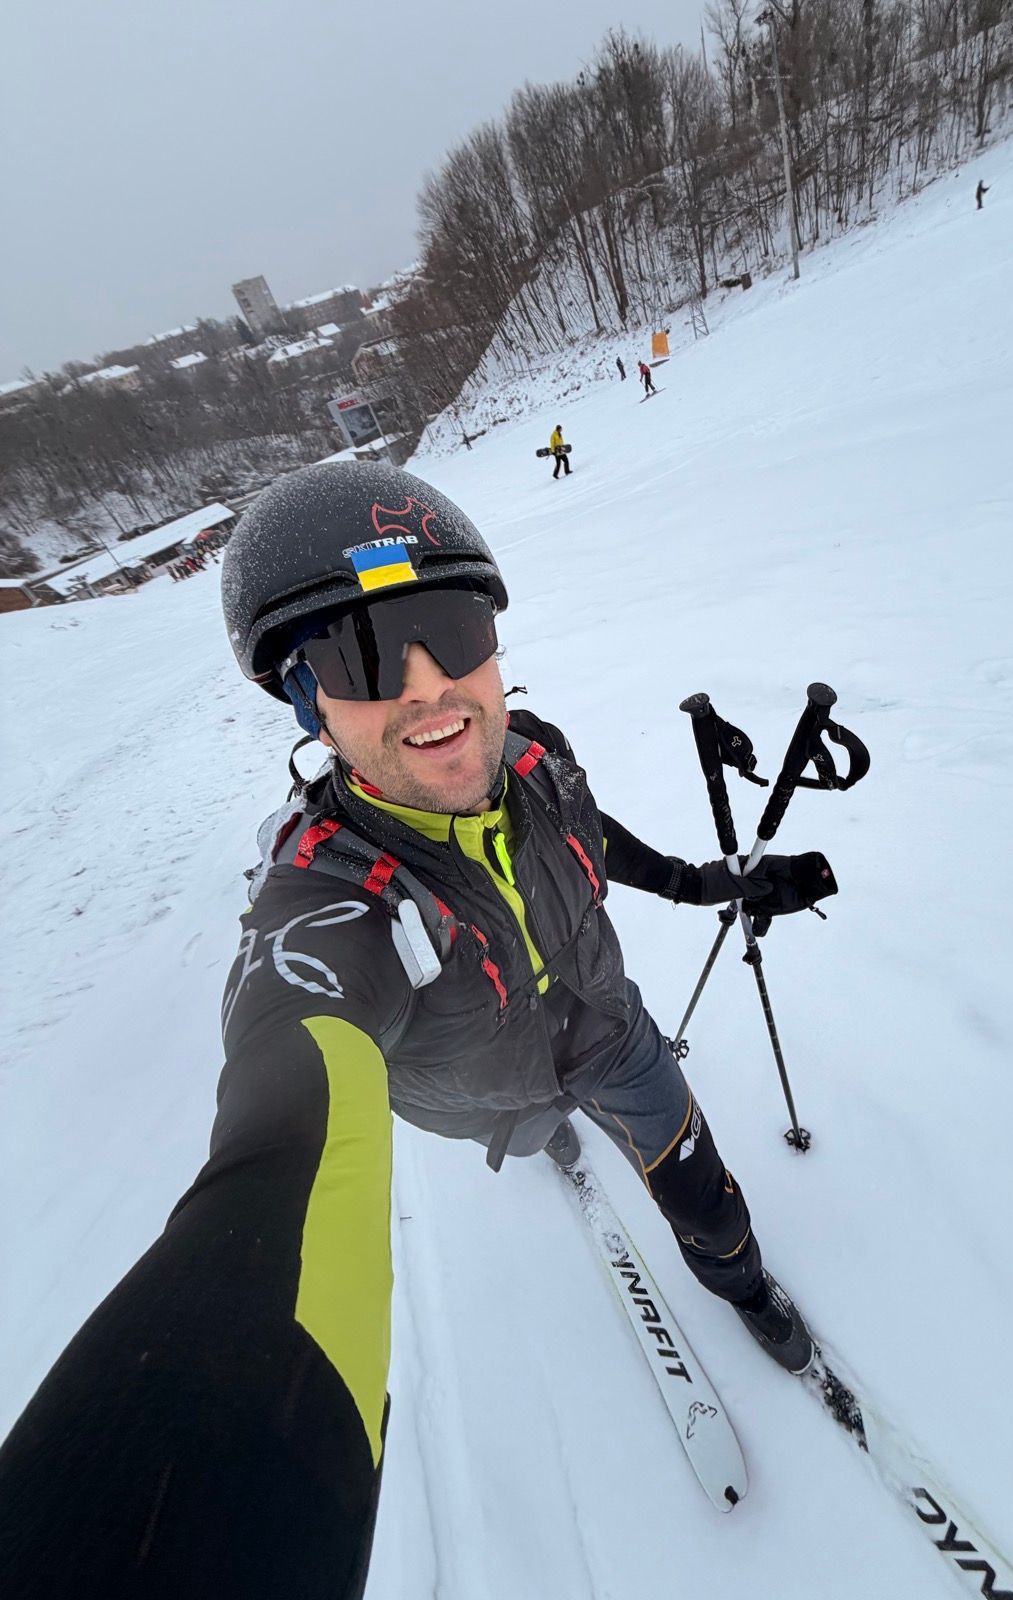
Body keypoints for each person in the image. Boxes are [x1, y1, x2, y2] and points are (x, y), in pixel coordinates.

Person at [0, 461, 836, 1598]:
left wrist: (704, 884)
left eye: (452, 628)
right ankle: (547, 1134)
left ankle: (739, 1283)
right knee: (535, 1128)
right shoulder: (324, 898)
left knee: (705, 1194)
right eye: (363, 655)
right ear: (309, 700)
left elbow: (593, 837)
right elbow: (284, 1112)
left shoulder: (534, 750)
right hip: (480, 1093)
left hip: (612, 1031)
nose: (431, 686)